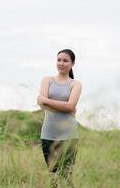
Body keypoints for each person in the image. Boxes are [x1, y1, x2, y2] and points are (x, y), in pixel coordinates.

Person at [37, 49, 82, 188]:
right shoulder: (47, 80)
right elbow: (42, 104)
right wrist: (67, 108)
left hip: (69, 136)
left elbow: (70, 106)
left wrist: (46, 101)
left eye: (65, 60)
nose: (61, 63)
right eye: (59, 60)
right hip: (48, 134)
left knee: (67, 176)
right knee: (53, 176)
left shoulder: (75, 84)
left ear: (72, 64)